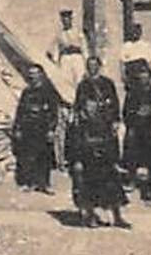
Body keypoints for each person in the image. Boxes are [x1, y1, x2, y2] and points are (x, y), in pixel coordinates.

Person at [65, 98, 130, 229]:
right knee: (86, 184)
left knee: (113, 183)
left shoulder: (105, 121)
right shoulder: (77, 125)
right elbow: (71, 144)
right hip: (85, 160)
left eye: (93, 105)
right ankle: (89, 214)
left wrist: (115, 160)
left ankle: (117, 216)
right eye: (88, 106)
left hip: (104, 159)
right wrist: (76, 160)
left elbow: (112, 141)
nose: (91, 109)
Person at [10, 64, 63, 193]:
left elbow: (53, 112)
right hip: (28, 127)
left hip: (43, 127)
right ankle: (29, 183)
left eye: (36, 74)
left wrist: (51, 129)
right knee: (28, 156)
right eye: (31, 74)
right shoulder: (27, 92)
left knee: (44, 156)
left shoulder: (48, 91)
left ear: (41, 75)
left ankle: (45, 184)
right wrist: (17, 128)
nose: (33, 77)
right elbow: (20, 111)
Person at [120, 61, 151, 195]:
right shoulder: (132, 91)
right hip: (135, 127)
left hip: (150, 126)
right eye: (141, 75)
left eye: (146, 75)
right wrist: (136, 113)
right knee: (132, 155)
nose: (144, 78)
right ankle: (131, 180)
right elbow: (126, 111)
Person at [73, 54, 120, 129]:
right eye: (90, 65)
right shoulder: (82, 85)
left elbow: (114, 102)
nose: (92, 67)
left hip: (105, 120)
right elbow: (78, 103)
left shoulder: (107, 83)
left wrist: (116, 119)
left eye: (94, 65)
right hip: (88, 122)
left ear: (99, 66)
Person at [50, 10, 88, 94]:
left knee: (79, 79)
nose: (65, 22)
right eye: (63, 20)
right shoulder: (59, 34)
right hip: (65, 58)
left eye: (67, 19)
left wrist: (86, 61)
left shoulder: (78, 31)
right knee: (66, 80)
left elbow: (84, 47)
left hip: (77, 57)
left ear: (71, 20)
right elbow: (56, 48)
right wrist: (56, 62)